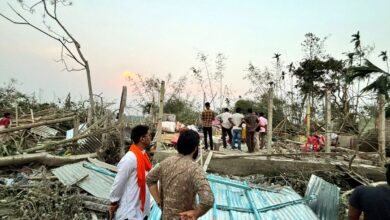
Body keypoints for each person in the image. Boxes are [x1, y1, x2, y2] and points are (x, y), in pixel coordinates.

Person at [147, 130, 214, 220]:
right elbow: (208, 199)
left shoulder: (166, 162)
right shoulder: (195, 169)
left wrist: (159, 202)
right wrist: (195, 213)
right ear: (195, 148)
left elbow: (149, 179)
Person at [109, 125, 152, 220]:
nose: (151, 137)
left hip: (140, 210)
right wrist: (113, 201)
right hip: (129, 211)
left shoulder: (143, 156)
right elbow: (119, 182)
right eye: (149, 135)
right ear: (142, 139)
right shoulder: (130, 158)